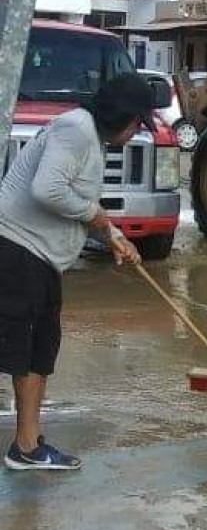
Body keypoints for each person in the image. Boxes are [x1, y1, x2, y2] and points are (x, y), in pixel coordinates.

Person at [0, 73, 153, 471]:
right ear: (122, 115)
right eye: (138, 122)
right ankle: (27, 446)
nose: (137, 131)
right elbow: (46, 190)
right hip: (18, 249)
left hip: (39, 258)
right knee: (17, 347)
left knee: (38, 350)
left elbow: (78, 201)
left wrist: (113, 236)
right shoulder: (76, 129)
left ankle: (27, 447)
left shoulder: (90, 139)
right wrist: (98, 216)